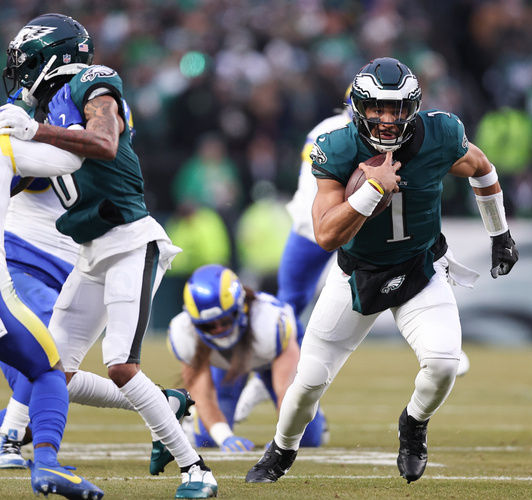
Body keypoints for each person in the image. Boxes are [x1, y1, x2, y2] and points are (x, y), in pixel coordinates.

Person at [246, 57, 518, 484]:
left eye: (397, 109)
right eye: (377, 108)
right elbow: (325, 235)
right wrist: (372, 190)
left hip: (419, 270)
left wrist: (500, 234)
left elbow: (482, 168)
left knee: (444, 363)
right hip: (356, 276)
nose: (387, 120)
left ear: (413, 108)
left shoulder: (441, 133)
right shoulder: (336, 147)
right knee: (308, 384)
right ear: (358, 106)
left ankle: (413, 425)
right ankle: (281, 449)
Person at [0, 13, 217, 497]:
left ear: (52, 59)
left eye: (27, 62)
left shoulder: (91, 82)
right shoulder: (44, 107)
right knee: (49, 365)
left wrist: (32, 133)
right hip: (92, 248)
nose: (19, 72)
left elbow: (102, 142)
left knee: (120, 363)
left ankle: (196, 468)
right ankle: (17, 437)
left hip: (131, 240)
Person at [278, 86, 471, 375]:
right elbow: (318, 197)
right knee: (288, 310)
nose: (383, 120)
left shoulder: (396, 136)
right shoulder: (332, 137)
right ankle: (283, 371)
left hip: (354, 226)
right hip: (316, 228)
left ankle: (440, 345)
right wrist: (364, 196)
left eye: (391, 111)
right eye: (375, 110)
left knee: (398, 275)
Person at [0, 112, 103, 496]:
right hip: (10, 275)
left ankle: (9, 435)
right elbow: (73, 159)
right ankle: (41, 460)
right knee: (47, 368)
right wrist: (43, 128)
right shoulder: (5, 143)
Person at [166, 264, 327, 450]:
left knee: (307, 439)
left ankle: (265, 384)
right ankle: (193, 420)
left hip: (275, 356)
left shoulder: (270, 324)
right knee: (208, 440)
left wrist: (282, 442)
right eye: (208, 326)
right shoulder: (184, 333)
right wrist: (224, 437)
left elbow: (287, 392)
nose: (219, 330)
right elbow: (203, 396)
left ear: (241, 306)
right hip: (230, 363)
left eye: (225, 320)